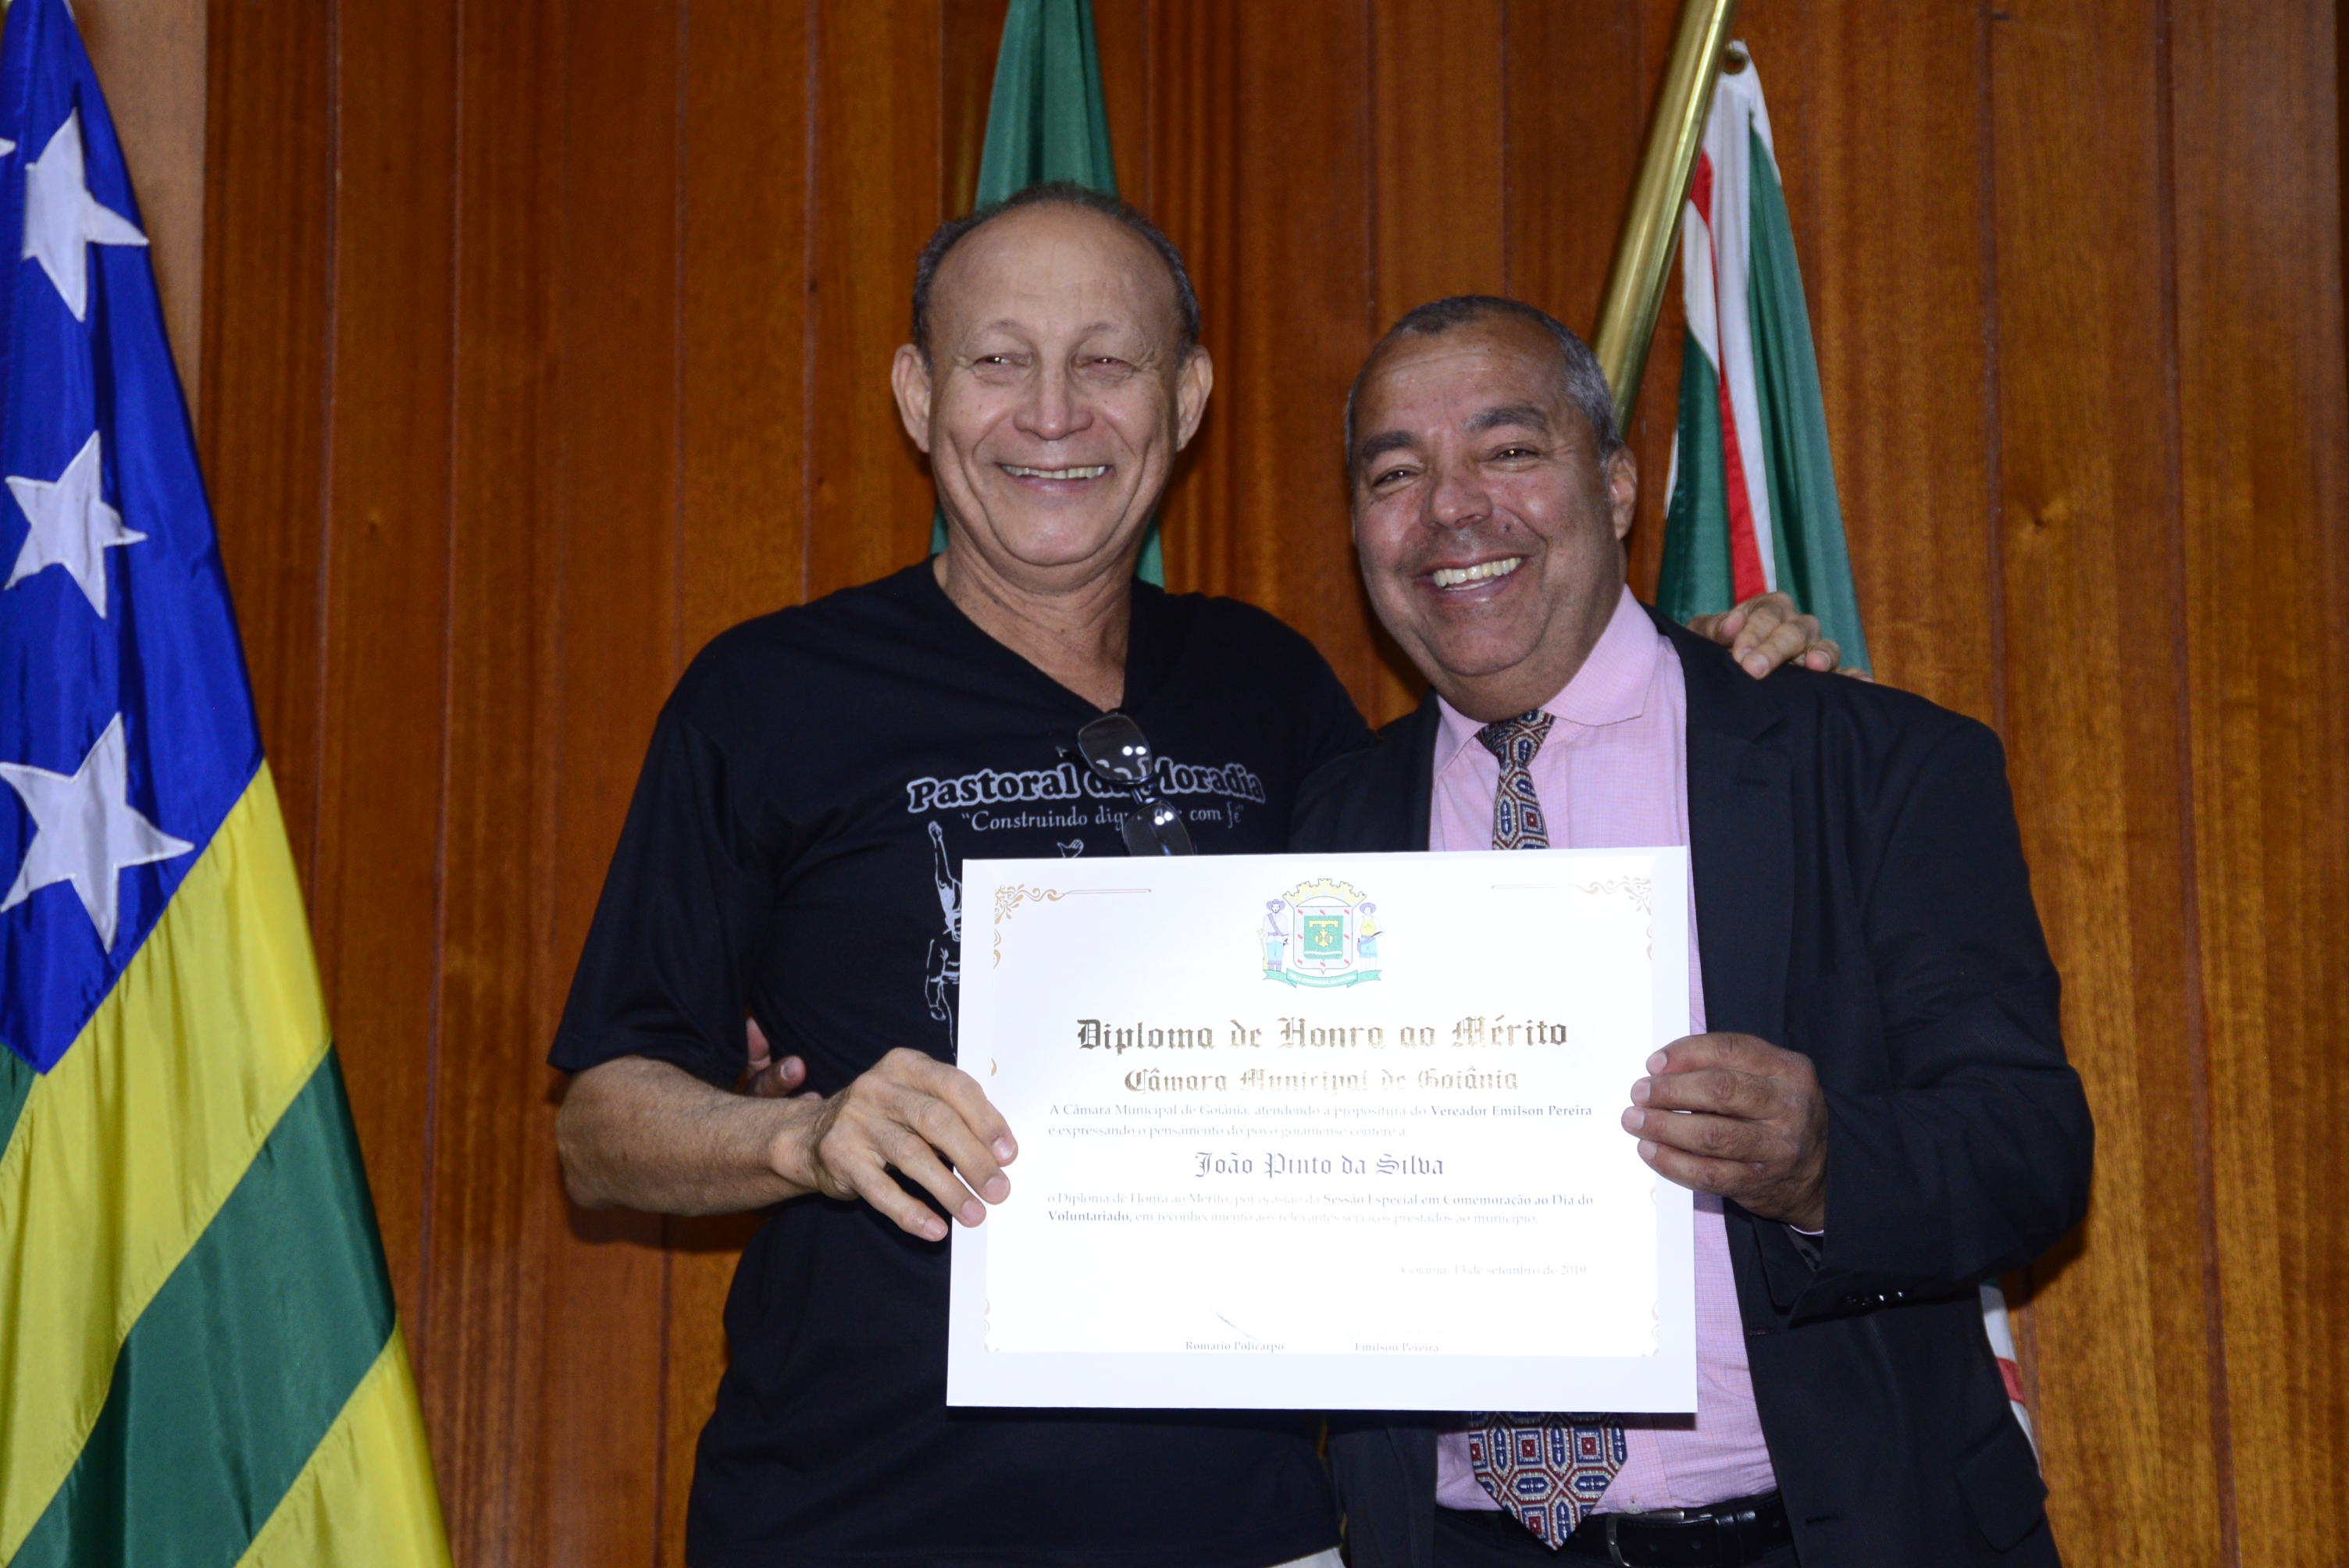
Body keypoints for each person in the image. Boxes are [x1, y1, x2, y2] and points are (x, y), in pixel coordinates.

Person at [548, 186, 1838, 1567]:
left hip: (1254, 1527)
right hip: (852, 1518)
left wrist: (1690, 681)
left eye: (1107, 361)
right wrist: (802, 1141)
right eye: (998, 361)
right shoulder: (769, 696)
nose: (1054, 413)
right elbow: (601, 1128)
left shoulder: (1272, 689)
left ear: (1186, 399)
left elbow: (1494, 883)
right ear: (920, 397)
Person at [1291, 296, 2093, 1568]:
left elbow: (2031, 1153)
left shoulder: (1872, 764)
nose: (1450, 508)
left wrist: (1826, 1167)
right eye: (1396, 474)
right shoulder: (1318, 831)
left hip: (1822, 1537)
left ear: (1615, 487)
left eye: (1508, 450)